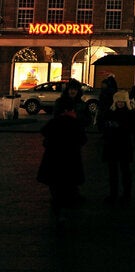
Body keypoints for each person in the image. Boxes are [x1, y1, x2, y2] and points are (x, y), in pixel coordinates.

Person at [37, 93, 87, 227]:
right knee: (68, 185)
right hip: (71, 160)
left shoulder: (55, 122)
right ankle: (66, 210)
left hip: (54, 159)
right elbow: (83, 139)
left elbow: (45, 134)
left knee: (56, 186)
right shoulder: (75, 123)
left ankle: (58, 209)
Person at [101, 90, 135, 203]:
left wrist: (118, 126)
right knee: (113, 172)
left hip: (123, 145)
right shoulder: (111, 112)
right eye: (118, 101)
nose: (120, 103)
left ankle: (126, 195)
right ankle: (114, 194)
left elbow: (133, 128)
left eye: (122, 101)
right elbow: (102, 124)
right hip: (113, 144)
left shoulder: (129, 113)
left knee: (125, 171)